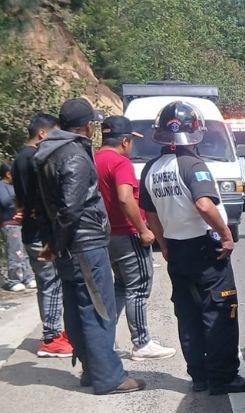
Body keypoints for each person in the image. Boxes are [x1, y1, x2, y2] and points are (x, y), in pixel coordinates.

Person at [140, 101, 245, 395]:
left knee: (189, 313)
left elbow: (152, 215)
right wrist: (226, 234)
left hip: (177, 251)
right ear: (196, 133)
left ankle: (200, 376)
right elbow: (204, 204)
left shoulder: (150, 169)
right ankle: (223, 377)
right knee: (220, 310)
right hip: (206, 249)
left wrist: (165, 245)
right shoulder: (193, 165)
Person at [33, 98, 144, 395]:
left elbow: (42, 205)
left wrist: (52, 242)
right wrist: (58, 241)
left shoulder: (46, 154)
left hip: (68, 246)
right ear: (89, 126)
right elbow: (71, 208)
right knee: (99, 310)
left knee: (78, 308)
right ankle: (108, 377)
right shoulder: (74, 155)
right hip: (84, 244)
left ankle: (90, 368)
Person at [96, 115, 176, 361]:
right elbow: (124, 197)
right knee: (139, 288)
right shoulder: (120, 163)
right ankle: (142, 343)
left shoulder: (94, 159)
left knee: (121, 288)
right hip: (127, 234)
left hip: (106, 235)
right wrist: (142, 228)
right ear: (125, 141)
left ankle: (105, 339)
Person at [13, 113, 73, 357]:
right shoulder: (35, 159)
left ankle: (54, 333)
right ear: (42, 133)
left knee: (47, 283)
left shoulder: (19, 159)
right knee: (51, 283)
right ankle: (51, 338)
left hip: (31, 228)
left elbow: (23, 198)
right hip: (40, 231)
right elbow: (42, 198)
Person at [1, 162, 36, 292]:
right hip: (10, 223)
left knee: (25, 251)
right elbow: (5, 201)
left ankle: (28, 277)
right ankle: (14, 279)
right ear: (8, 174)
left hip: (23, 223)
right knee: (15, 252)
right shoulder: (2, 186)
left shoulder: (16, 186)